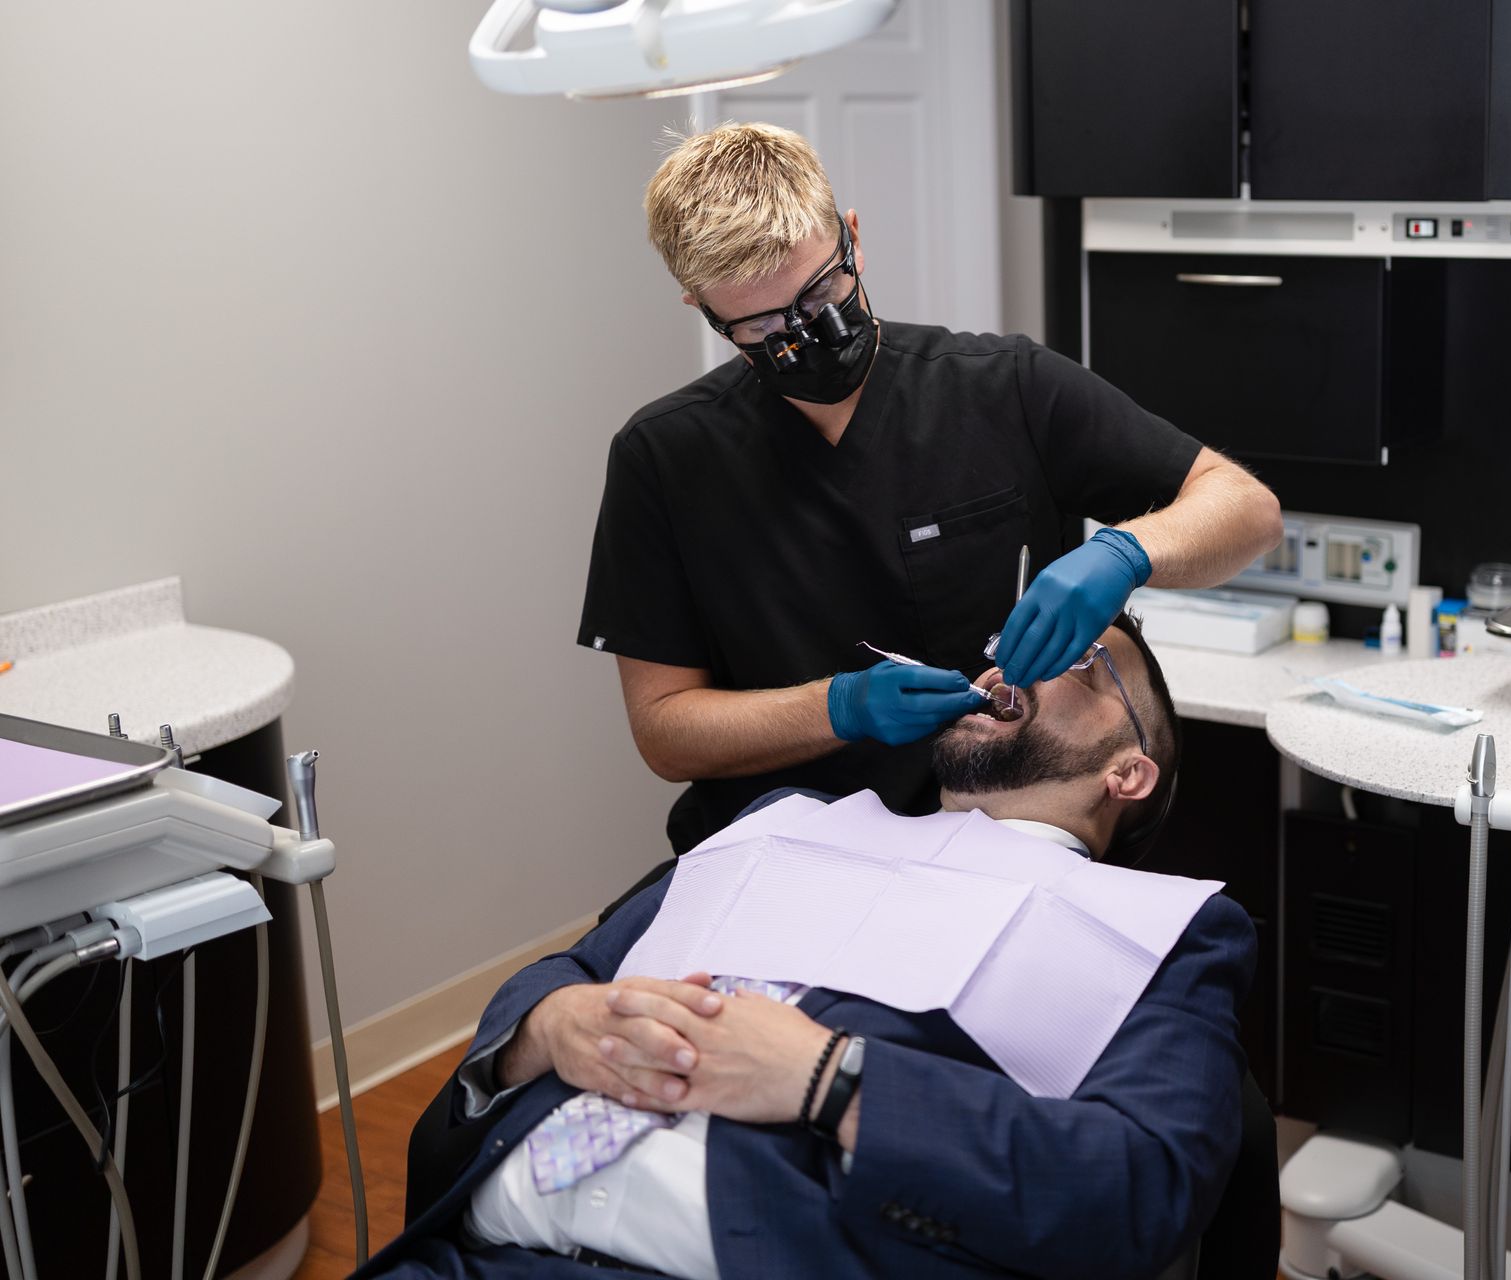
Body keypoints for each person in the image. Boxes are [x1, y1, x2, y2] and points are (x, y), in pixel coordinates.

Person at [361, 615, 1256, 1280]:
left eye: (1083, 658)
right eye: (1013, 638)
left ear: (1125, 770)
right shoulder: (781, 825)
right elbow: (573, 970)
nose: (1014, 656)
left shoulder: (1162, 931)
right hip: (477, 1246)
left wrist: (831, 1078)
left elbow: (1143, 1182)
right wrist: (552, 1026)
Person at [577, 121, 1285, 854]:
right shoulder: (663, 457)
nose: (807, 331)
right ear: (704, 309)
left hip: (1004, 848)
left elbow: (1248, 511)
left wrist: (1126, 552)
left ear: (851, 234)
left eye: (821, 290)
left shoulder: (1005, 387)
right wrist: (838, 707)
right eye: (763, 325)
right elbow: (666, 734)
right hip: (782, 855)